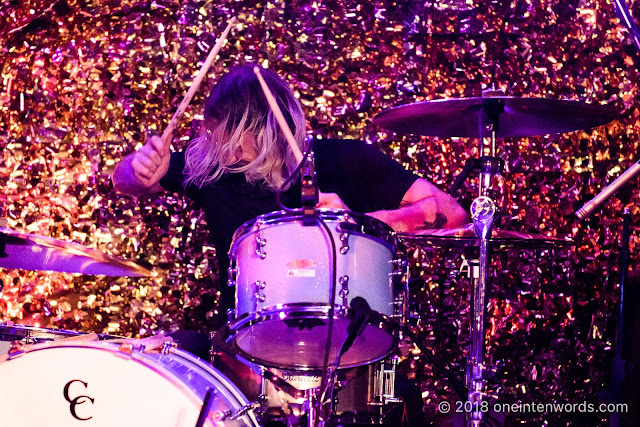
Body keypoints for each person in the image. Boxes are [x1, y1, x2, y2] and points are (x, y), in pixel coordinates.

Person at [111, 63, 468, 425]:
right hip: (244, 360)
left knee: (398, 396)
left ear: (264, 127)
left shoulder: (344, 161)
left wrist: (360, 223)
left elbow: (451, 212)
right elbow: (124, 180)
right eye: (217, 134)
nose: (222, 147)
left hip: (351, 358)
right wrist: (138, 169)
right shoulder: (213, 169)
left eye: (232, 136)